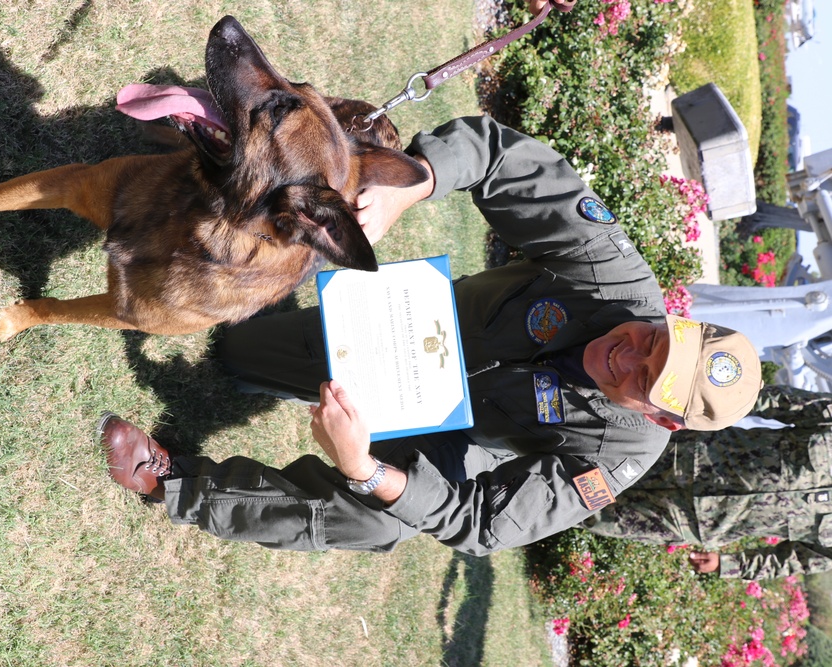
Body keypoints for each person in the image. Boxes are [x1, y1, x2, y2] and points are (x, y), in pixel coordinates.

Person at [100, 114, 762, 555]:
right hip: (403, 331)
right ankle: (222, 181)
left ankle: (177, 482)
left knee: (378, 517)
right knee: (237, 351)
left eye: (644, 376)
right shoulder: (615, 276)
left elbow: (483, 523)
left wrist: (364, 466)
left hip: (450, 432)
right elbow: (505, 157)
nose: (630, 350)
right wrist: (409, 186)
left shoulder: (617, 457)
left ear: (659, 417)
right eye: (656, 339)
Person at [584, 384, 832, 580]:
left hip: (687, 520)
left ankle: (546, 500)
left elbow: (794, 560)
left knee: (584, 507)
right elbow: (776, 401)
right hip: (682, 453)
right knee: (591, 449)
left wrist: (728, 565)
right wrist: (704, 405)